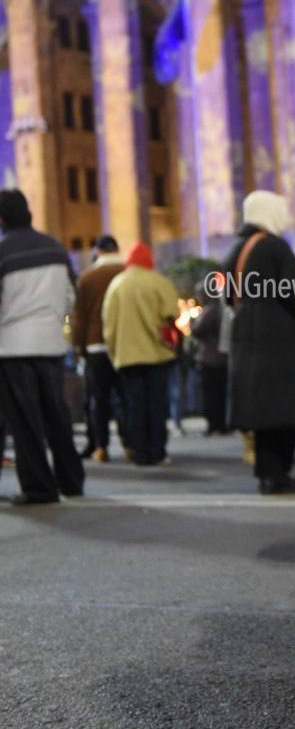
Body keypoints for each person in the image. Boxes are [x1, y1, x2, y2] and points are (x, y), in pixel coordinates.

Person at [0, 188, 83, 505]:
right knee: (56, 415)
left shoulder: (4, 251)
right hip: (50, 343)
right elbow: (69, 298)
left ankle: (39, 487)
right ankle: (72, 480)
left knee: (26, 420)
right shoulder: (56, 248)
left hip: (13, 347)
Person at [223, 190, 295, 495]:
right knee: (282, 414)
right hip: (277, 346)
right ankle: (277, 475)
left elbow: (224, 293)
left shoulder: (237, 248)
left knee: (265, 416)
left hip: (247, 343)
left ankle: (268, 473)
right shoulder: (273, 247)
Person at [102, 242, 179, 467]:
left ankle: (139, 451)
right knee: (157, 404)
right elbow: (172, 315)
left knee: (134, 405)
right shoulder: (159, 282)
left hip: (127, 356)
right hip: (157, 355)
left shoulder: (117, 285)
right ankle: (158, 450)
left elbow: (109, 324)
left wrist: (114, 351)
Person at [71, 234, 125, 461]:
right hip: (124, 345)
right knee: (125, 397)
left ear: (98, 251)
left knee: (98, 399)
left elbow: (79, 317)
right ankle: (130, 443)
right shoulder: (127, 273)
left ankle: (99, 445)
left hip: (95, 346)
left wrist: (78, 347)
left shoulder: (87, 278)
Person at [189, 287, 229, 435]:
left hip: (209, 358)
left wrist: (192, 323)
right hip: (223, 357)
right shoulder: (223, 310)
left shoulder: (208, 311)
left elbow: (198, 330)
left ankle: (214, 424)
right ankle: (222, 423)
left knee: (210, 394)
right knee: (221, 393)